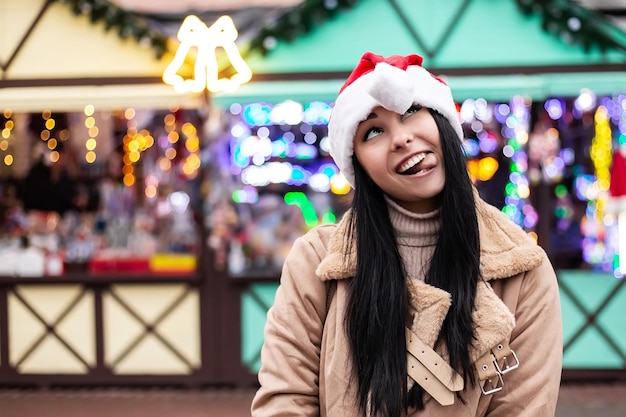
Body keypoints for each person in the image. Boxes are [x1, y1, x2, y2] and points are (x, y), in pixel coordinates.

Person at [251, 52, 562, 417]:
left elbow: (524, 409)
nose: (401, 138)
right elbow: (285, 401)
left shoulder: (523, 270)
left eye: (412, 111)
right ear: (358, 164)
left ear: (443, 122)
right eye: (374, 132)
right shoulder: (316, 261)